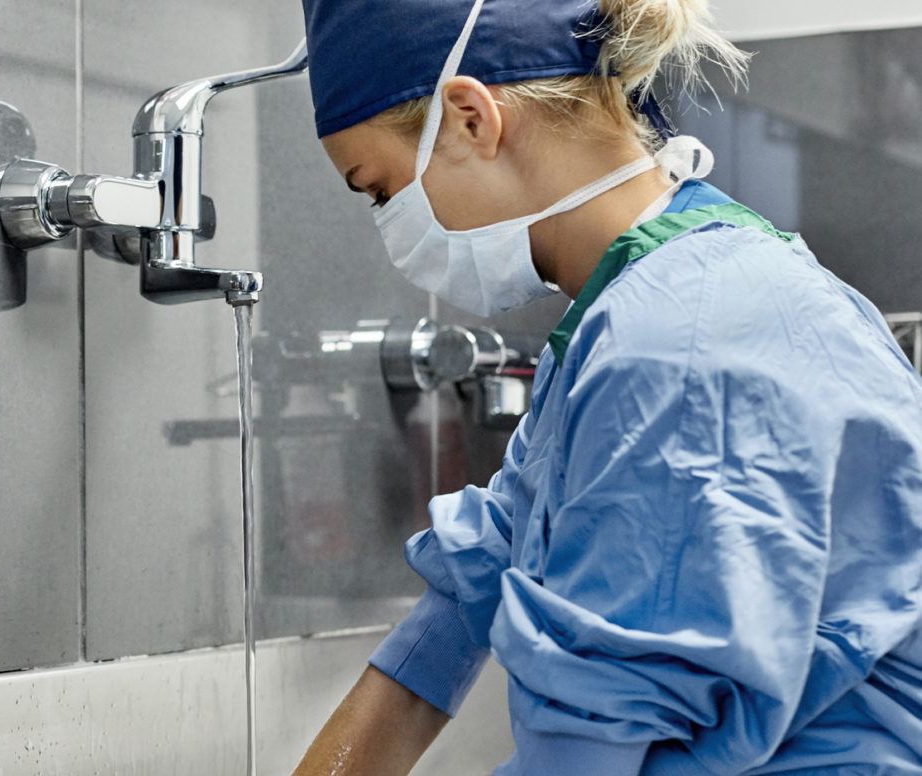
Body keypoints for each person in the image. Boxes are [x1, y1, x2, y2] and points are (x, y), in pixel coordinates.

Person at [292, 0, 922, 773]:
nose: (390, 224)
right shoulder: (646, 297)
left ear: (469, 118)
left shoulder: (678, 345)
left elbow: (592, 748)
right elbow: (473, 584)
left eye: (380, 189)